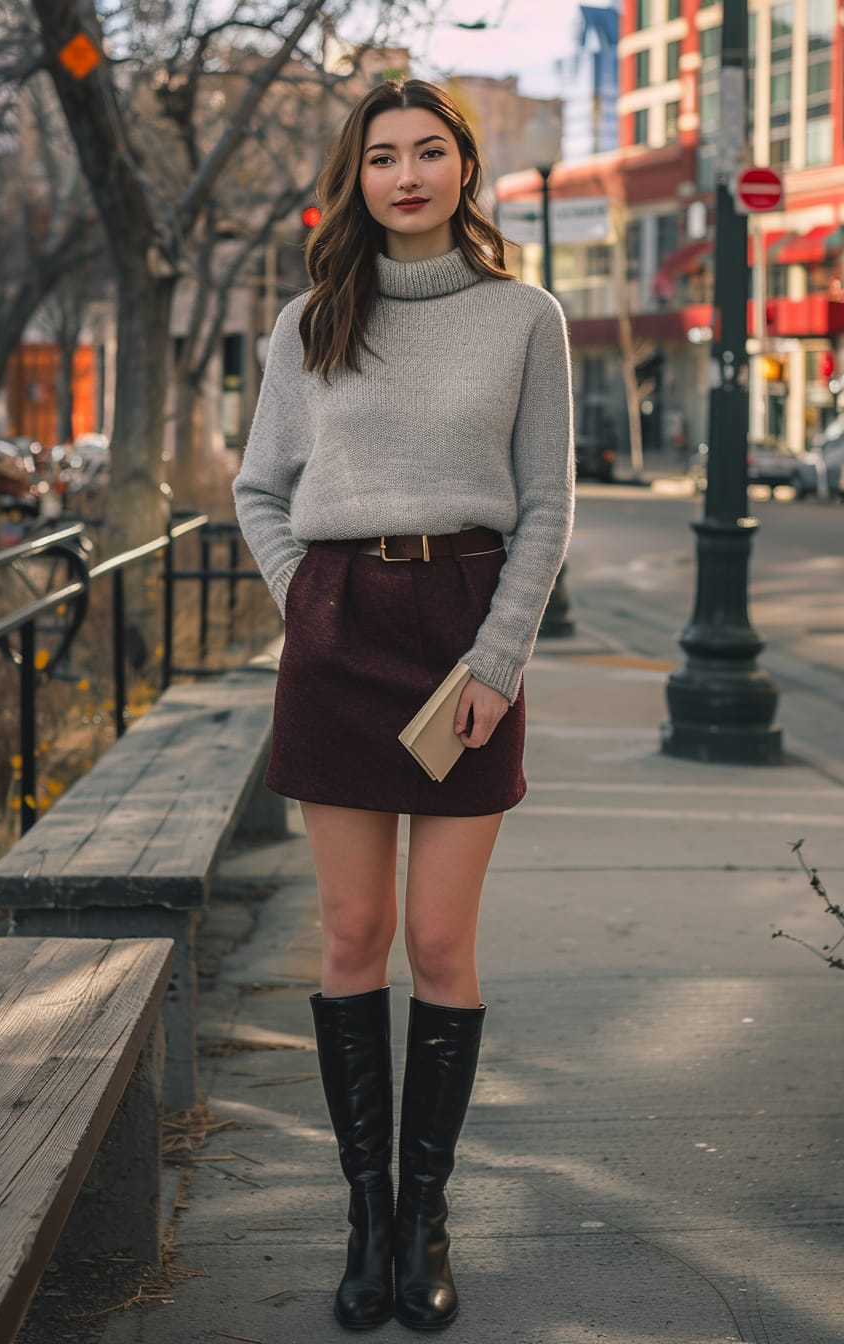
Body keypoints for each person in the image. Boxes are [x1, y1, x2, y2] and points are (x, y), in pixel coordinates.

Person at [233, 78, 574, 1332]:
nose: (408, 174)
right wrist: (301, 602)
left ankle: (426, 1211)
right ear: (357, 176)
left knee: (437, 943)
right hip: (340, 631)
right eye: (383, 157)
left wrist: (497, 663)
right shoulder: (311, 320)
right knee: (349, 934)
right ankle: (364, 1219)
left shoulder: (523, 317)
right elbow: (258, 488)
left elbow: (545, 504)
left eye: (431, 151)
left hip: (466, 631)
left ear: (465, 169)